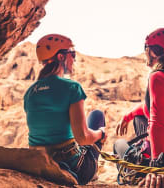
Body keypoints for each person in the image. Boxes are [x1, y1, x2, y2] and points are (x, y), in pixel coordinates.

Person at [23, 34, 106, 185]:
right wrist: (101, 134)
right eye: (72, 54)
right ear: (61, 57)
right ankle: (91, 174)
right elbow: (83, 138)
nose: (74, 59)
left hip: (40, 165)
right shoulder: (71, 87)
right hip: (74, 168)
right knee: (97, 115)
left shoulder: (30, 92)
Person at [114, 28, 164, 188]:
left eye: (146, 48)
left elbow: (156, 124)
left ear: (152, 51)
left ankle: (137, 174)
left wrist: (157, 167)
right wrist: (127, 117)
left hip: (163, 153)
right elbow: (148, 108)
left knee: (119, 145)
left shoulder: (157, 77)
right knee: (138, 118)